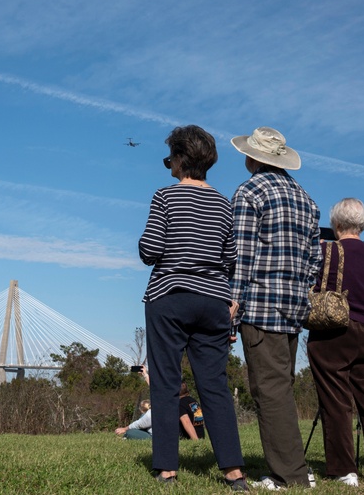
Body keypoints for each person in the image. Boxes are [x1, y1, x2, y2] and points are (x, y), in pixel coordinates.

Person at [138, 124, 248, 491]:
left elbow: (149, 251)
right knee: (214, 385)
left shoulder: (165, 198)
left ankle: (167, 470)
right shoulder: (223, 202)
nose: (168, 162)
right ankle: (234, 472)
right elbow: (229, 258)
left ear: (182, 159)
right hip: (214, 301)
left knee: (167, 384)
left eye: (170, 156)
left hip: (170, 297)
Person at [228, 126, 321, 491]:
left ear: (254, 158)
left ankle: (289, 476)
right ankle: (293, 467)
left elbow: (241, 257)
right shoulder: (307, 200)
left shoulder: (249, 192)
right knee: (281, 387)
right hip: (293, 307)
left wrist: (232, 308)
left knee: (269, 391)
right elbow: (314, 261)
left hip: (261, 305)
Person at [307, 198, 364, 489]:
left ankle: (345, 470)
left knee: (336, 401)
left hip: (334, 330)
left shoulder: (324, 249)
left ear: (336, 223)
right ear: (363, 223)